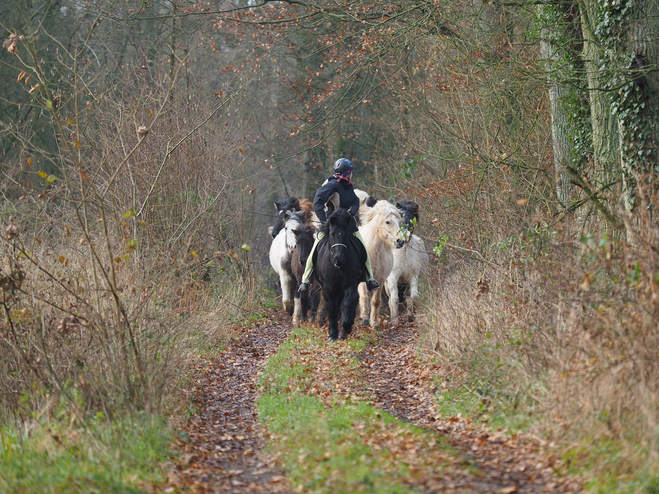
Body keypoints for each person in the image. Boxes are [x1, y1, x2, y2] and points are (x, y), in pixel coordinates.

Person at [298, 158, 380, 293]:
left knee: (363, 249)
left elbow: (355, 201)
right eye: (351, 172)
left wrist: (351, 212)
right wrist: (326, 221)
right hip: (332, 226)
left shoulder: (348, 185)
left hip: (349, 225)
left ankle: (370, 278)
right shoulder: (332, 185)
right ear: (347, 172)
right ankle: (305, 281)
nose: (352, 174)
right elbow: (318, 202)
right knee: (315, 249)